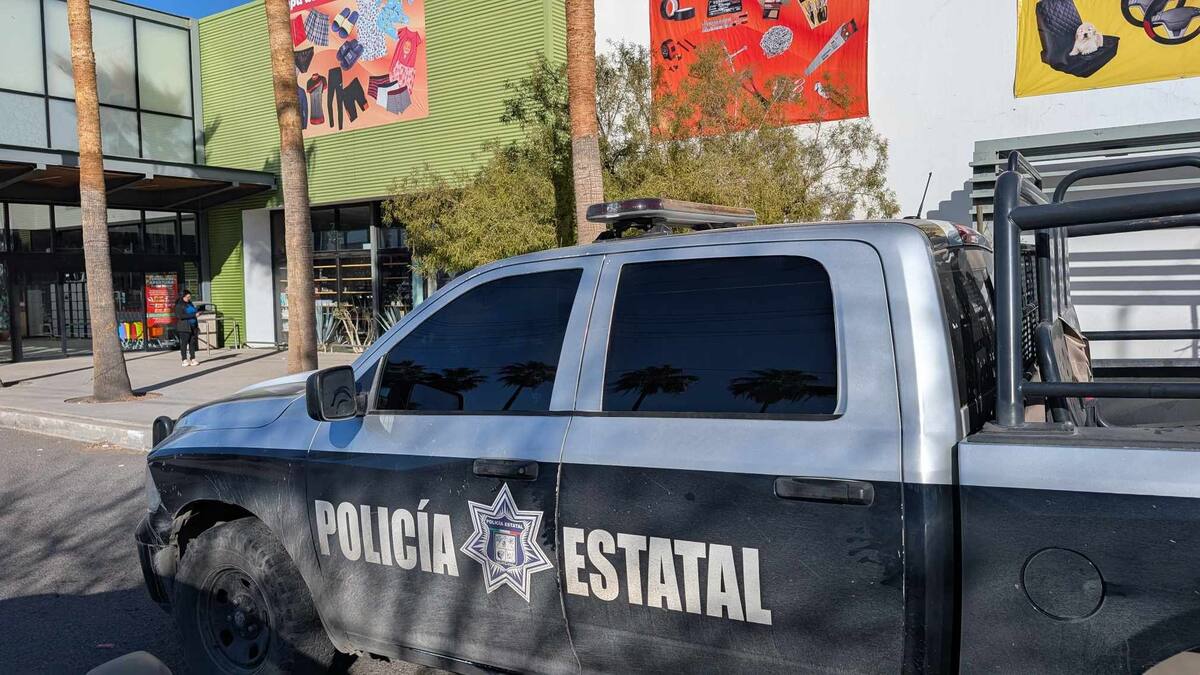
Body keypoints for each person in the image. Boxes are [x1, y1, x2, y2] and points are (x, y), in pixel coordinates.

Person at [174, 290, 200, 367]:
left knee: (192, 343)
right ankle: (184, 360)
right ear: (183, 297)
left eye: (190, 296)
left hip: (193, 326)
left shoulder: (190, 303)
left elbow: (194, 312)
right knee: (184, 344)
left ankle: (193, 359)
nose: (189, 298)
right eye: (188, 297)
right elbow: (180, 316)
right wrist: (194, 315)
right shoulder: (179, 305)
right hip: (184, 327)